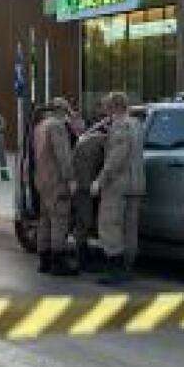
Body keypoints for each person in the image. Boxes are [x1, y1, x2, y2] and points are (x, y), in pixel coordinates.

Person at [92, 92, 145, 285]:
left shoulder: (120, 126)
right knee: (130, 228)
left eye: (107, 107)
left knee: (110, 224)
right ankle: (128, 267)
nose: (105, 110)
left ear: (114, 107)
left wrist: (100, 180)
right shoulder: (137, 124)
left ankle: (116, 270)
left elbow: (116, 158)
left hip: (118, 184)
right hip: (136, 183)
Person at [33, 98, 77, 276]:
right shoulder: (57, 126)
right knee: (60, 219)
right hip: (56, 180)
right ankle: (58, 262)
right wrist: (71, 178)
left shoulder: (40, 126)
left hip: (42, 179)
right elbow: (63, 155)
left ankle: (44, 260)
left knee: (45, 219)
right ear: (62, 110)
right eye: (67, 110)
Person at [71, 117, 109, 273]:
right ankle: (83, 259)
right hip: (84, 186)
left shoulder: (87, 139)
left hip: (82, 184)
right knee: (85, 221)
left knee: (83, 220)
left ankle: (83, 256)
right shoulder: (103, 141)